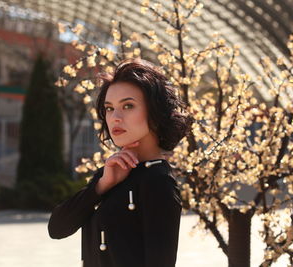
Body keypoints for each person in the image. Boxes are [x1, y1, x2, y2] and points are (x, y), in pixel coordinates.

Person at [48, 58, 193, 267]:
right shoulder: (110, 173)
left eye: (128, 106)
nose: (115, 117)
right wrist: (100, 186)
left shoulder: (158, 182)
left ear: (154, 112)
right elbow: (58, 228)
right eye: (109, 108)